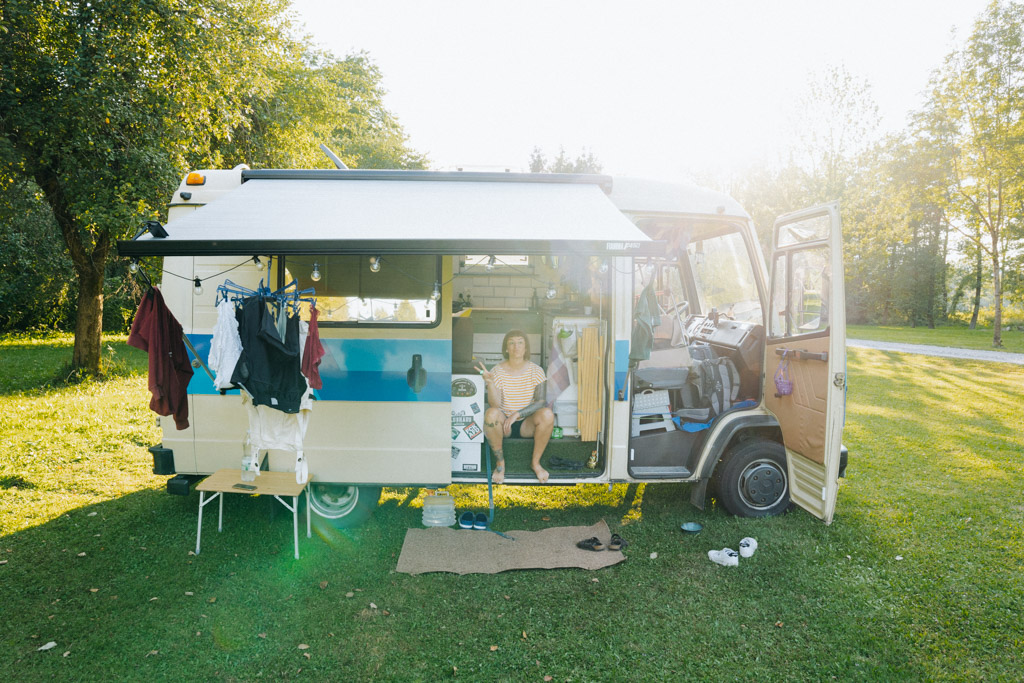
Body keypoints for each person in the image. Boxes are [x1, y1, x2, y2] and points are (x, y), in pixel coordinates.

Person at [476, 329, 555, 484]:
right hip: (504, 425)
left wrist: (516, 414)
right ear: (506, 348)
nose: (516, 346)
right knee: (491, 414)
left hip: (527, 424)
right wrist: (490, 384)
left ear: (525, 348)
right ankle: (500, 464)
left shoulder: (536, 370)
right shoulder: (497, 371)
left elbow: (540, 401)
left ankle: (535, 463)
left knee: (547, 414)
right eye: (511, 343)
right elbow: (495, 404)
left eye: (520, 342)